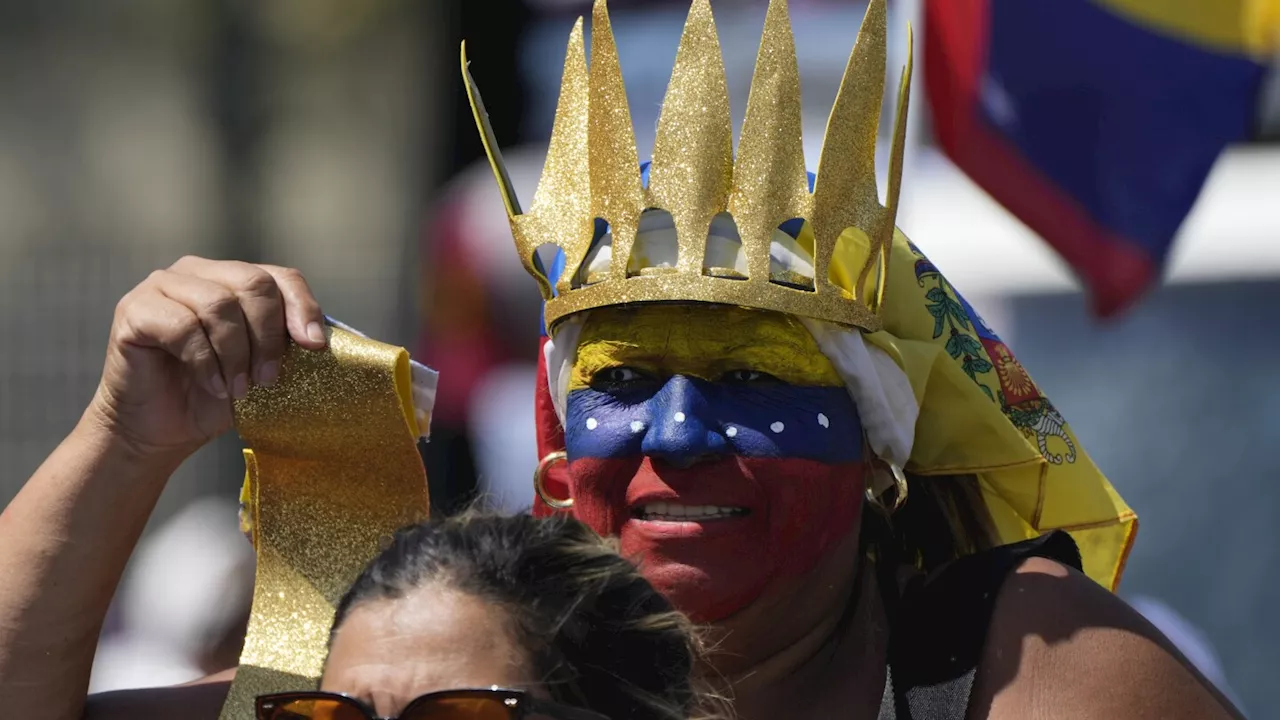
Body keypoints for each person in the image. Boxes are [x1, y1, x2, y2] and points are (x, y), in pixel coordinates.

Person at [0, 1, 1247, 719]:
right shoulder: (464, 667)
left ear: (876, 448)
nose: (681, 431)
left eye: (758, 380)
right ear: (553, 458)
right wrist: (123, 438)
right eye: (624, 383)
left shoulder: (1024, 671)